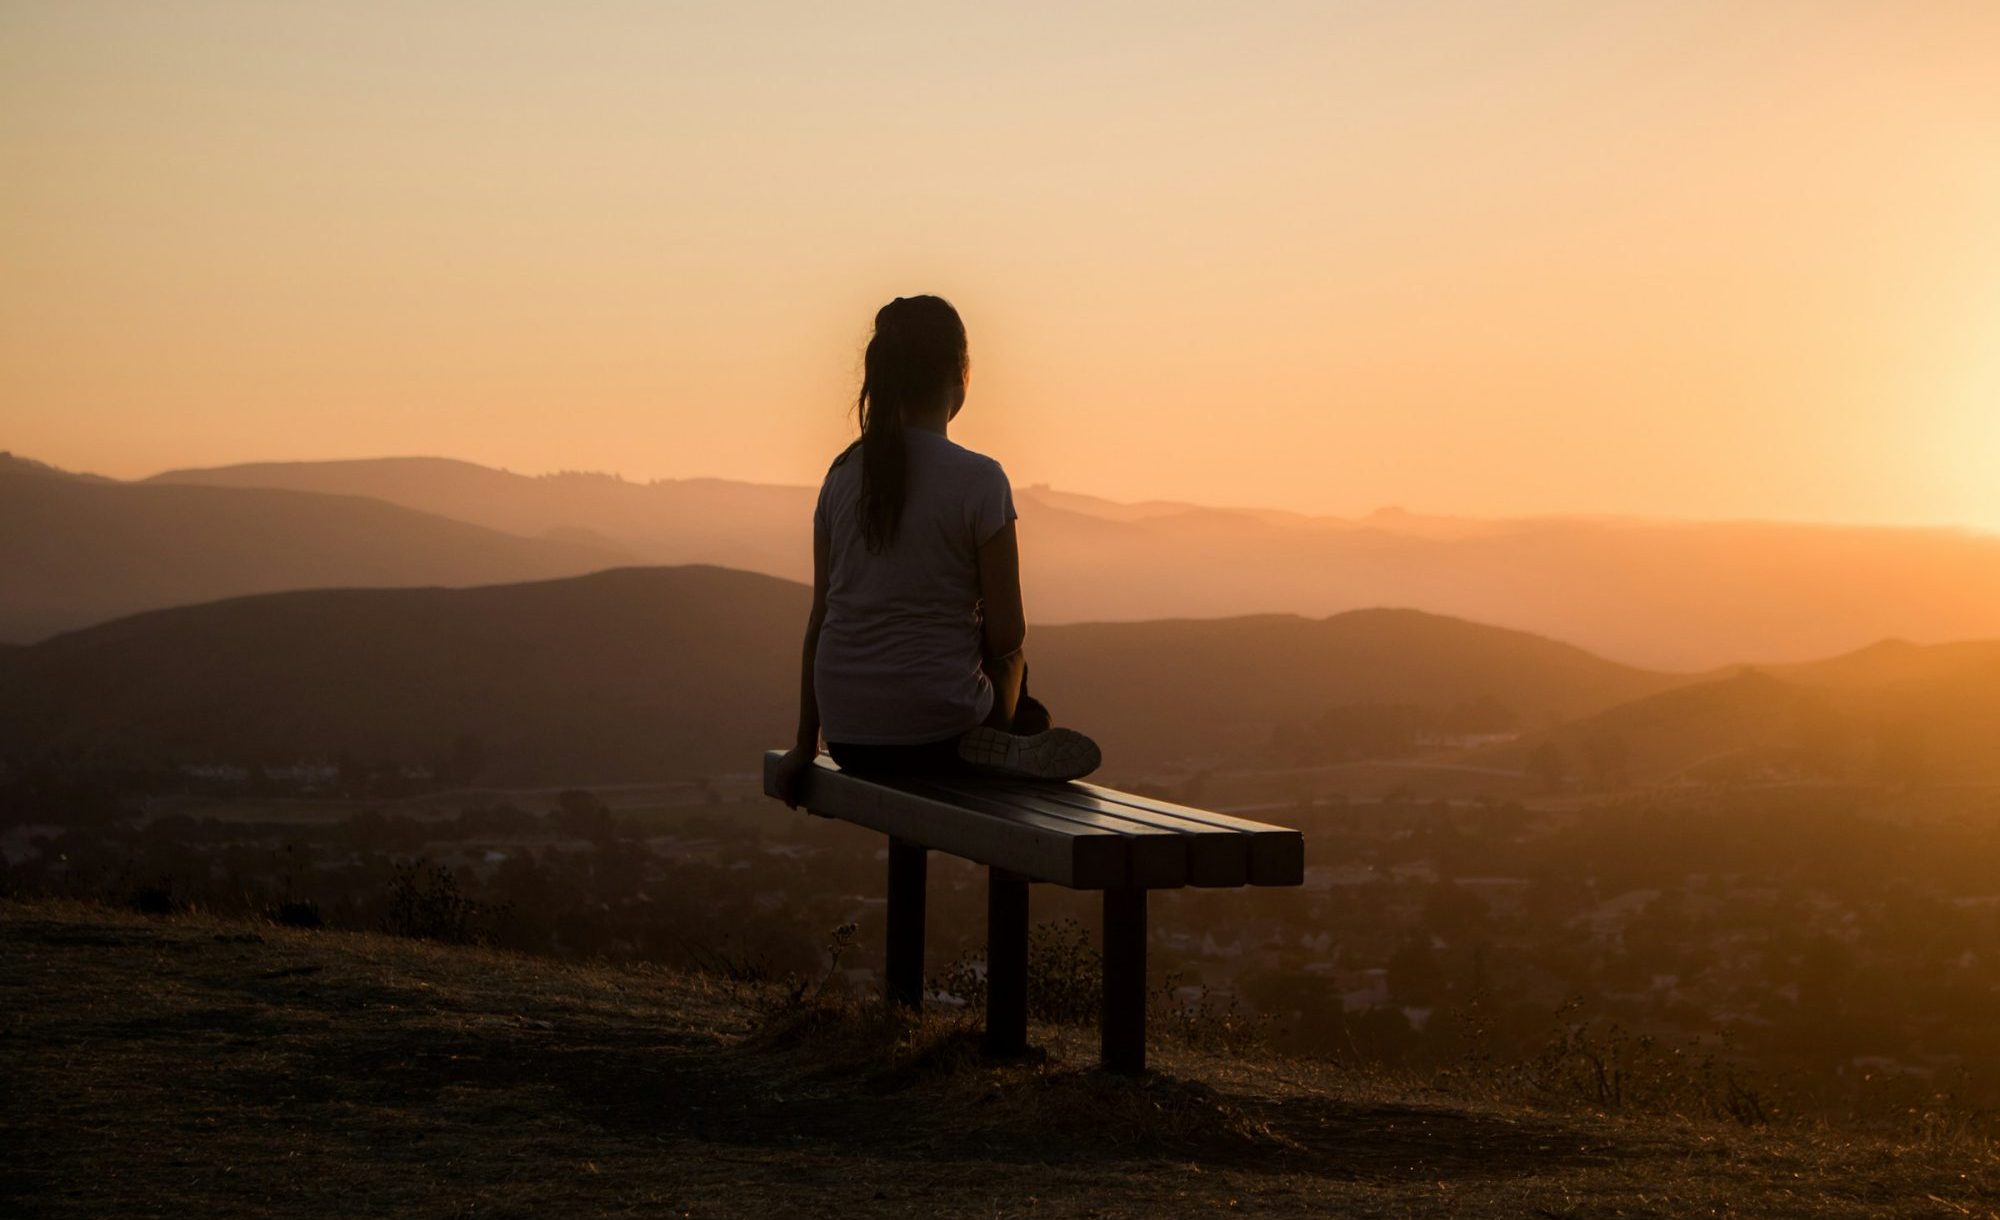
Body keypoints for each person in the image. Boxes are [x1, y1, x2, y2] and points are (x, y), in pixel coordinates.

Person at [771, 294, 1100, 808]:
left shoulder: (840, 475)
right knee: (1017, 668)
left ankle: (1007, 737)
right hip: (941, 736)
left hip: (851, 740)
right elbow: (1007, 632)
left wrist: (803, 746)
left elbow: (820, 620)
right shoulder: (980, 479)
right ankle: (1011, 739)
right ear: (959, 375)